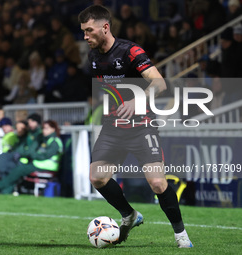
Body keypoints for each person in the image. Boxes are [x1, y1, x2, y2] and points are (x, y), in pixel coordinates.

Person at [78, 5, 193, 248]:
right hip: (113, 127)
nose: (85, 36)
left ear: (105, 27)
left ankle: (181, 235)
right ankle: (129, 215)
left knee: (158, 184)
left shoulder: (130, 51)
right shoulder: (94, 56)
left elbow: (159, 83)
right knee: (97, 177)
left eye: (89, 30)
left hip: (142, 126)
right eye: (83, 31)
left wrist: (135, 100)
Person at [0, 120, 63, 194]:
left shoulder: (54, 141)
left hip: (47, 166)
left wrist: (33, 155)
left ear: (53, 129)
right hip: (39, 163)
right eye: (43, 128)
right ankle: (4, 189)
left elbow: (45, 155)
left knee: (20, 169)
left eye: (46, 128)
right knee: (15, 167)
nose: (44, 131)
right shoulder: (45, 139)